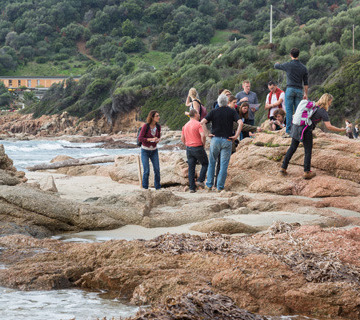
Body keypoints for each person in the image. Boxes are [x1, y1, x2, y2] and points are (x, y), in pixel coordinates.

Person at [280, 93, 345, 180]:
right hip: (306, 130)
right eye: (330, 101)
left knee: (292, 147)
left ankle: (283, 168)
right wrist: (341, 130)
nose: (330, 103)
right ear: (328, 101)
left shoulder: (314, 106)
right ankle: (307, 172)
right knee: (308, 150)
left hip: (296, 127)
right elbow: (329, 126)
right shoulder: (323, 111)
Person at [200, 94, 243, 191]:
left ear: (218, 102)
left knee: (212, 162)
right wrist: (236, 136)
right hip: (227, 140)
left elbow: (202, 122)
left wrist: (207, 134)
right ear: (227, 102)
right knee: (223, 165)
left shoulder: (214, 111)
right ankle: (219, 187)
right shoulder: (231, 111)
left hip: (215, 139)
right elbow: (241, 123)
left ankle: (209, 185)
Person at [274, 48, 309, 135]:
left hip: (290, 89)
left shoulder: (288, 65)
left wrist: (277, 63)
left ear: (290, 55)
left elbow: (276, 66)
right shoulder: (303, 68)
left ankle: (288, 131)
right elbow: (306, 83)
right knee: (298, 112)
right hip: (299, 90)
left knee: (289, 111)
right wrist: (305, 94)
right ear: (298, 55)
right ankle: (298, 131)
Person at [181, 109, 208, 193]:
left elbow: (182, 137)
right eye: (198, 114)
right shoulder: (198, 124)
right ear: (195, 114)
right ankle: (200, 180)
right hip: (198, 147)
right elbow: (203, 135)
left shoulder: (185, 125)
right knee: (205, 163)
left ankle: (192, 188)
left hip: (189, 148)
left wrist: (186, 143)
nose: (199, 115)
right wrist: (203, 143)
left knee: (191, 168)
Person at [138, 110, 161, 190]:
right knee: (146, 171)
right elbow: (140, 138)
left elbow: (158, 137)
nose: (159, 117)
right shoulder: (145, 126)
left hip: (154, 150)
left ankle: (158, 188)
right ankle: (145, 188)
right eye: (157, 116)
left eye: (158, 115)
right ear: (152, 117)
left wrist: (157, 140)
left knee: (157, 170)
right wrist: (150, 139)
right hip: (145, 151)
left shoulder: (158, 127)